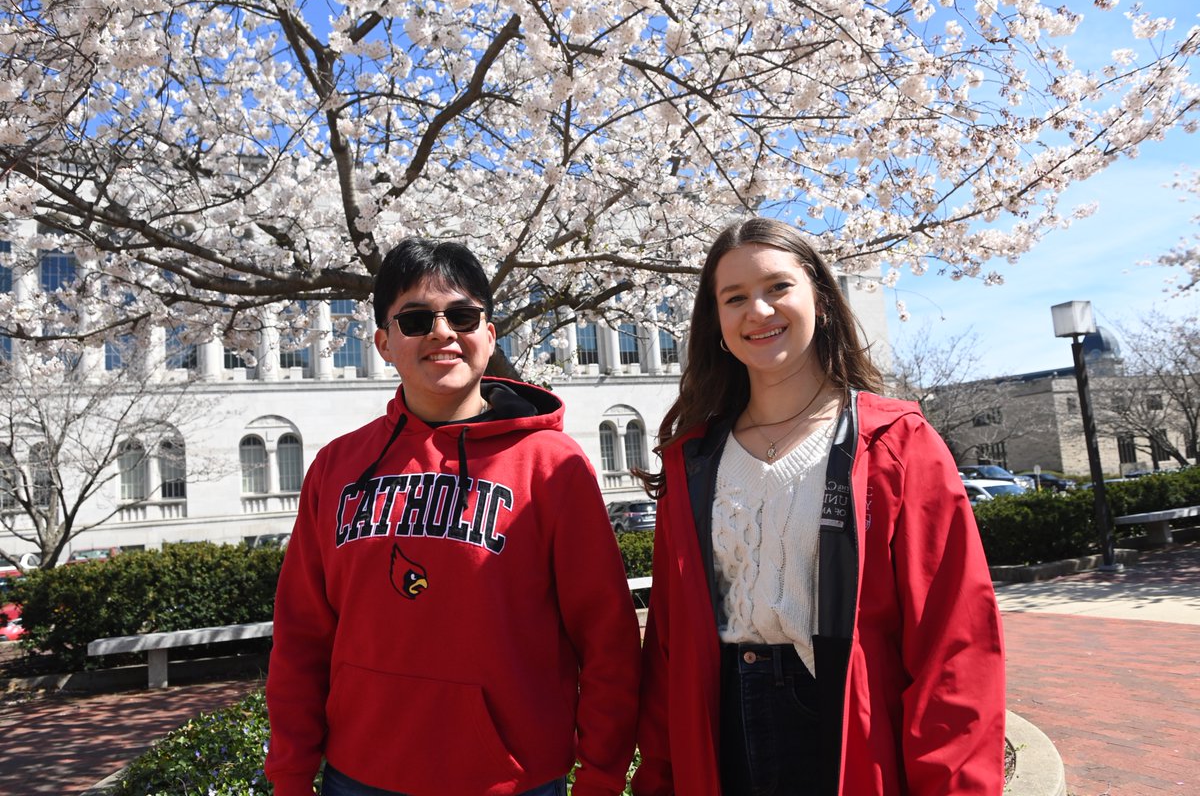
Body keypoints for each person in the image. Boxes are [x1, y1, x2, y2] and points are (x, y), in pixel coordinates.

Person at [631, 217, 1005, 796]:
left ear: (822, 301)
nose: (758, 310)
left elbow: (954, 640)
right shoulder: (692, 462)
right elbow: (668, 642)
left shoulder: (894, 444)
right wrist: (657, 776)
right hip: (721, 729)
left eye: (778, 287)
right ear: (717, 323)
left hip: (842, 728)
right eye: (735, 298)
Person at [265, 238, 641, 796]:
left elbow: (607, 638)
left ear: (489, 334)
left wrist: (601, 779)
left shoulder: (552, 466)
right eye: (416, 320)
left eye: (461, 316)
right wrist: (291, 776)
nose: (442, 333)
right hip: (359, 777)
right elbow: (301, 635)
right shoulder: (336, 468)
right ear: (384, 343)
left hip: (513, 782)